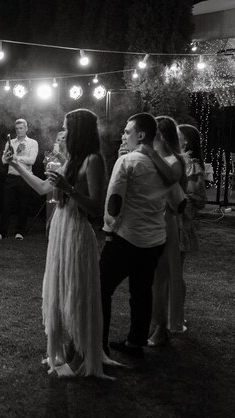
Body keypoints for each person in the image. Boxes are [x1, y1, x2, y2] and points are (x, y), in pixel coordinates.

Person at [7, 109, 117, 378]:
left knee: (77, 295)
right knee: (60, 292)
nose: (63, 132)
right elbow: (44, 189)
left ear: (78, 130)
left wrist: (68, 188)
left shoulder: (93, 160)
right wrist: (17, 165)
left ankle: (81, 359)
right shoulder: (71, 160)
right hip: (60, 229)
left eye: (67, 127)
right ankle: (67, 352)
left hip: (78, 232)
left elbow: (95, 207)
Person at [100, 113, 182, 359]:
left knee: (101, 287)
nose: (124, 136)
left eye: (127, 131)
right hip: (155, 239)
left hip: (127, 236)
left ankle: (99, 341)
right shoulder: (164, 165)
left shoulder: (128, 161)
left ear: (141, 134)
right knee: (142, 290)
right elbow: (179, 203)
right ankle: (136, 342)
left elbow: (114, 201)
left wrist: (108, 231)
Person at [148, 116, 186, 347]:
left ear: (160, 135)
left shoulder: (175, 161)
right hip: (151, 218)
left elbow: (175, 197)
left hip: (167, 221)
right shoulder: (159, 158)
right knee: (152, 277)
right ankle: (155, 323)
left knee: (161, 276)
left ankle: (162, 327)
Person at [175, 124, 207, 331]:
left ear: (186, 141)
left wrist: (177, 200)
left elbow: (198, 199)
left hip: (180, 223)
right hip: (169, 222)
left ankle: (177, 315)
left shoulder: (192, 165)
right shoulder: (174, 161)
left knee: (175, 272)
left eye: (176, 135)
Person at [0, 118, 39, 240]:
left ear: (26, 129)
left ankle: (20, 232)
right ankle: (2, 233)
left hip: (26, 178)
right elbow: (3, 160)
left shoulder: (33, 143)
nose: (19, 130)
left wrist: (16, 157)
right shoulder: (10, 142)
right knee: (6, 205)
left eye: (21, 128)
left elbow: (32, 161)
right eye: (17, 128)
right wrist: (10, 157)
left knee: (23, 206)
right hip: (11, 177)